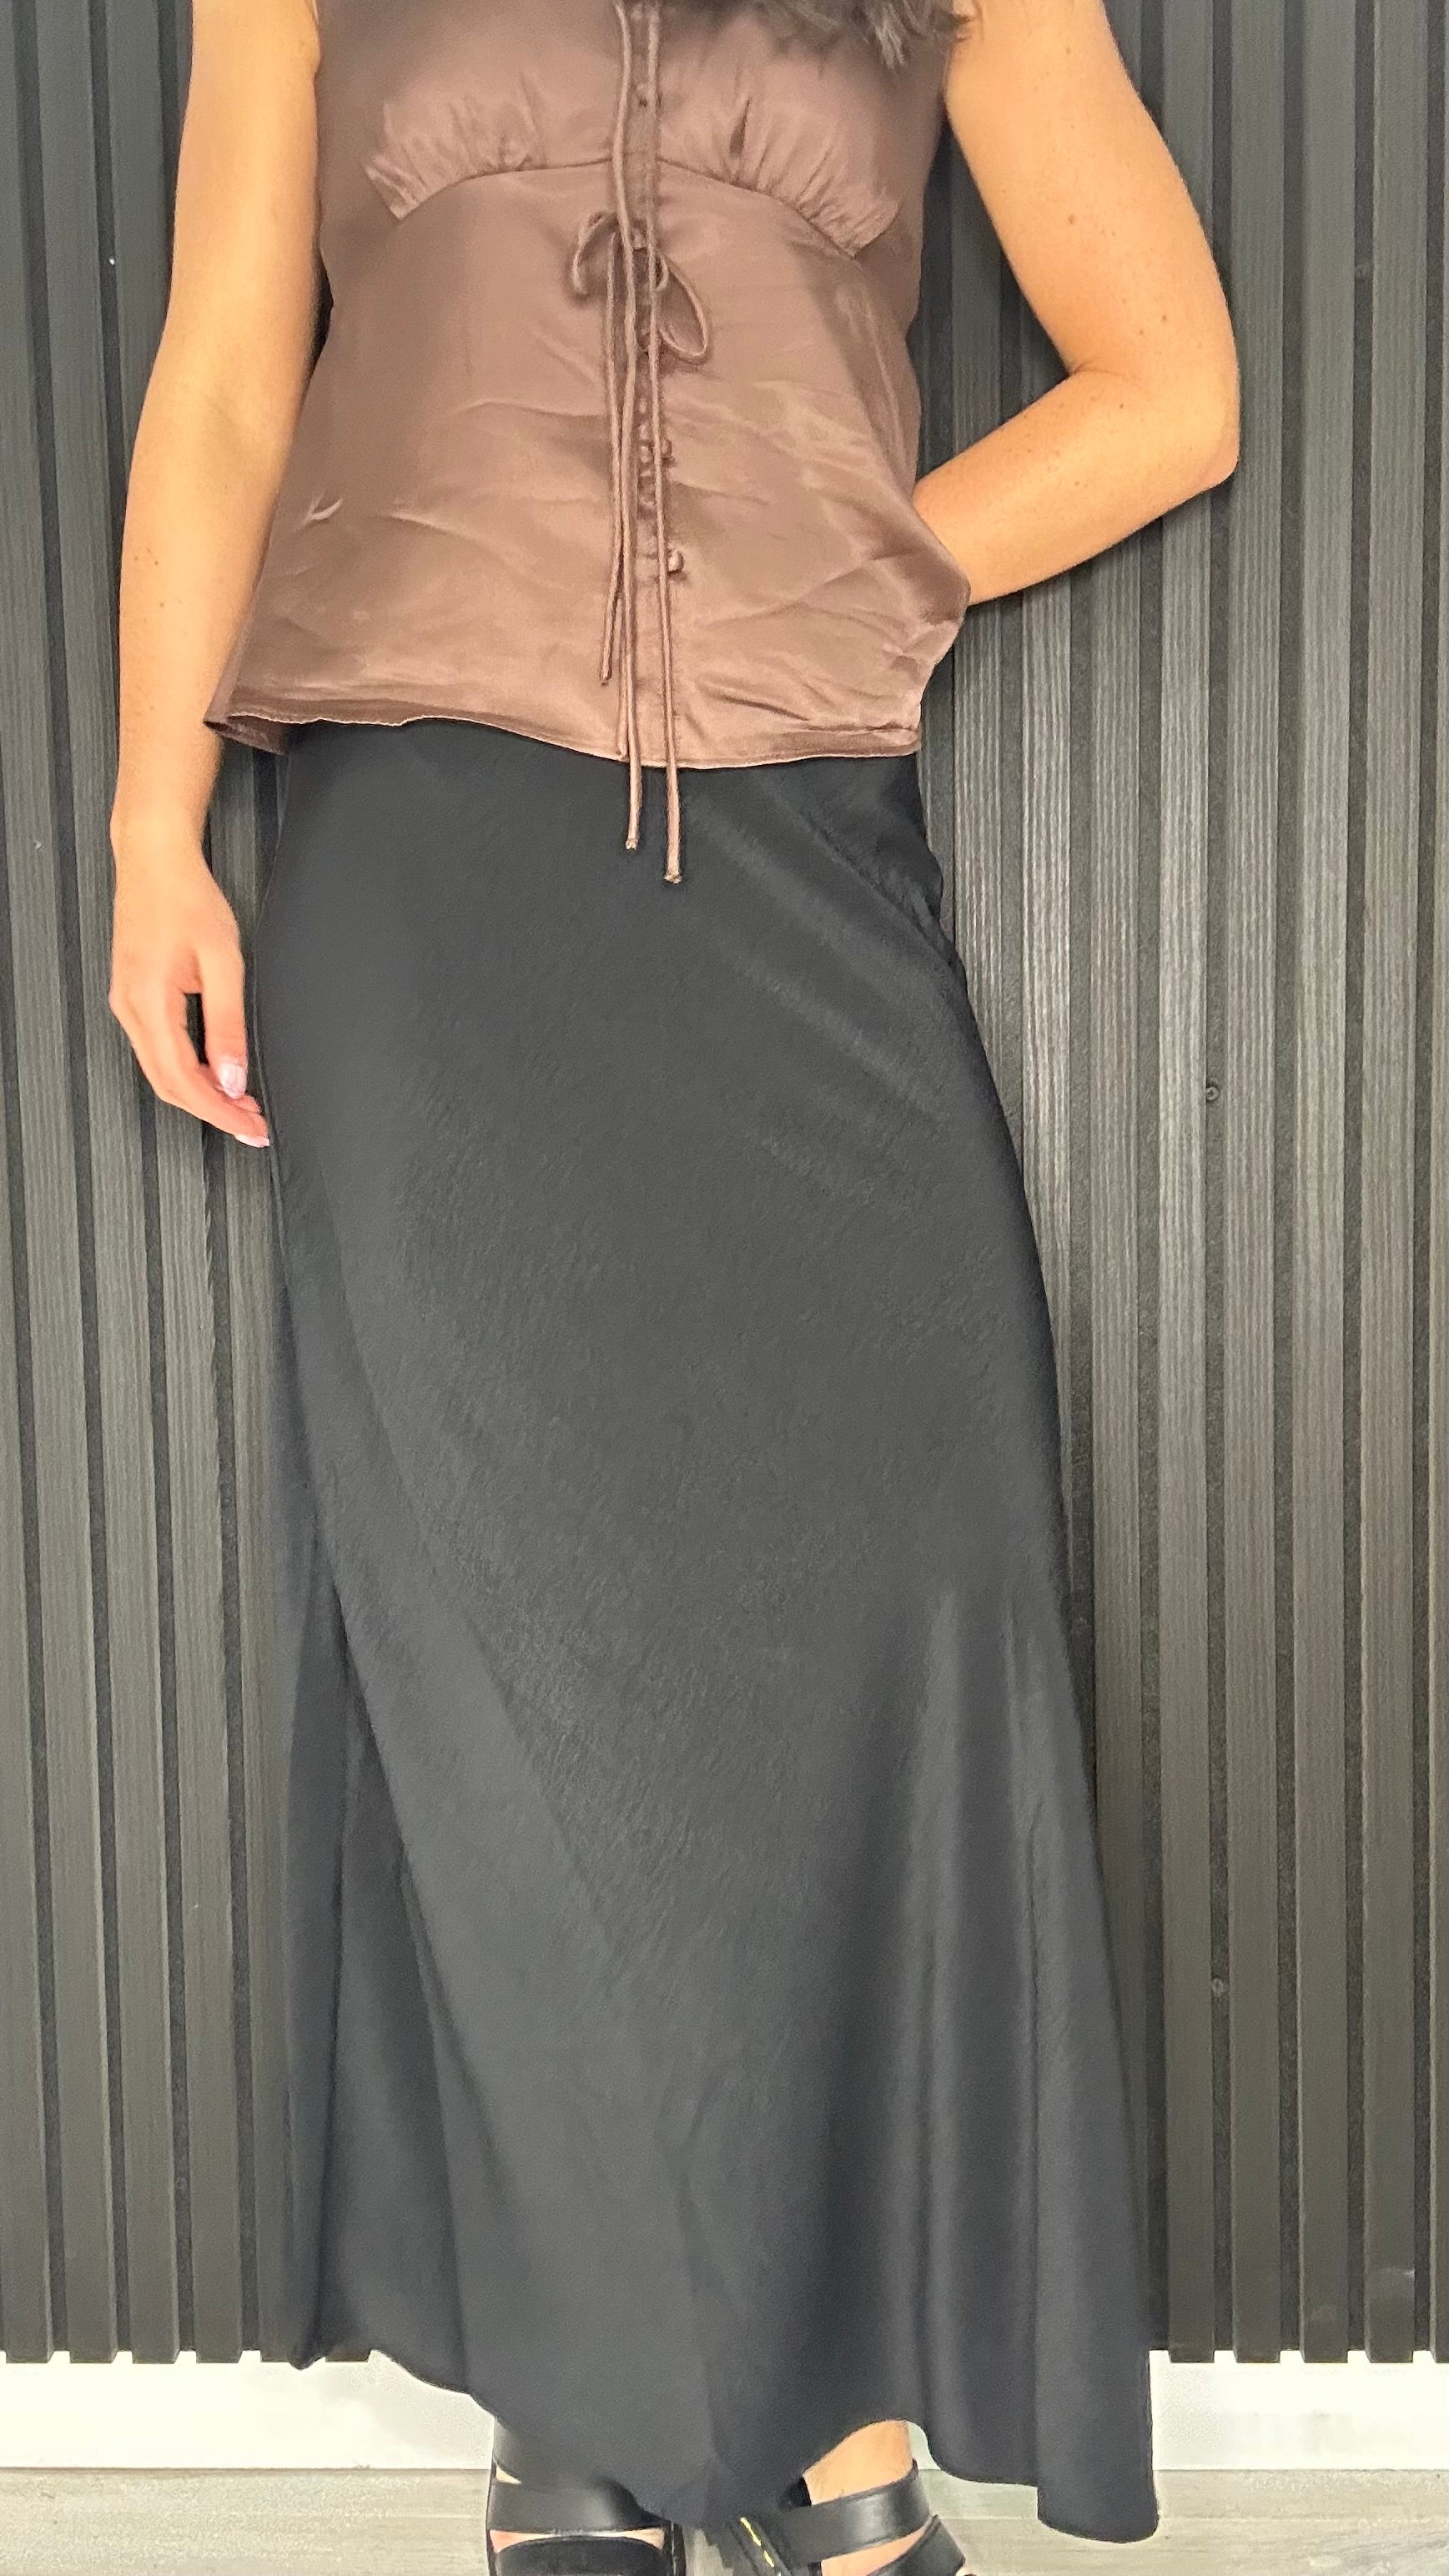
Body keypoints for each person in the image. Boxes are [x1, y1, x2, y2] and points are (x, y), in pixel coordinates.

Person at [108, 3, 1238, 2573]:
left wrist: (839, 555)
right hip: (425, 838)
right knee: (513, 1651)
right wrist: (153, 824)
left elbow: (1170, 390)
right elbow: (221, 377)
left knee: (897, 1582)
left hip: (795, 834)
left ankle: (809, 2381)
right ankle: (602, 2408)